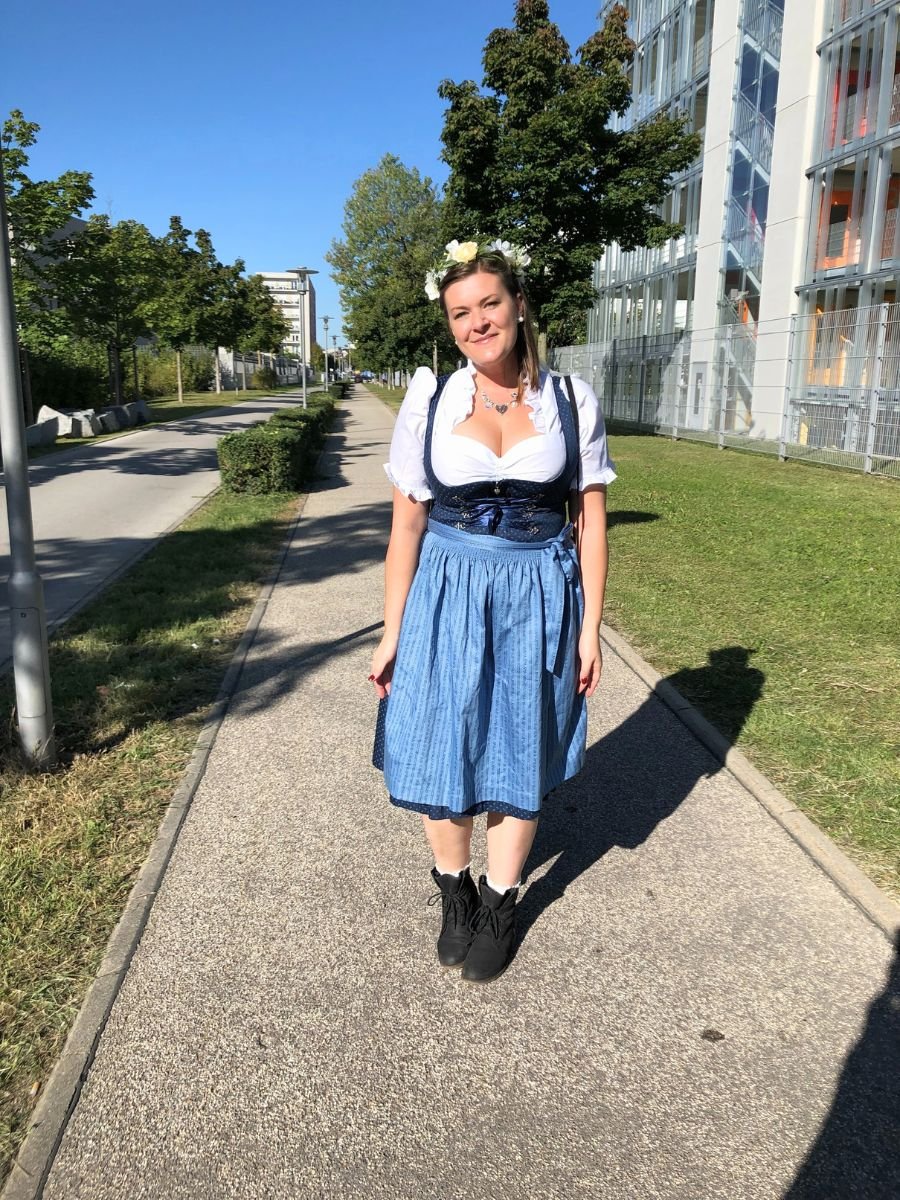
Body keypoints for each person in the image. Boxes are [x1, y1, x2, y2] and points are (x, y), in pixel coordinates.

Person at [370, 238, 615, 983]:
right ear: (449, 325)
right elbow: (406, 526)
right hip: (445, 589)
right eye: (460, 313)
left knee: (518, 739)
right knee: (441, 735)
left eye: (489, 304)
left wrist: (590, 627)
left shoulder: (569, 400)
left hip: (539, 589)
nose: (477, 323)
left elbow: (592, 518)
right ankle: (455, 893)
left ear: (517, 306)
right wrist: (391, 631)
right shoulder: (432, 400)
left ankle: (503, 901)